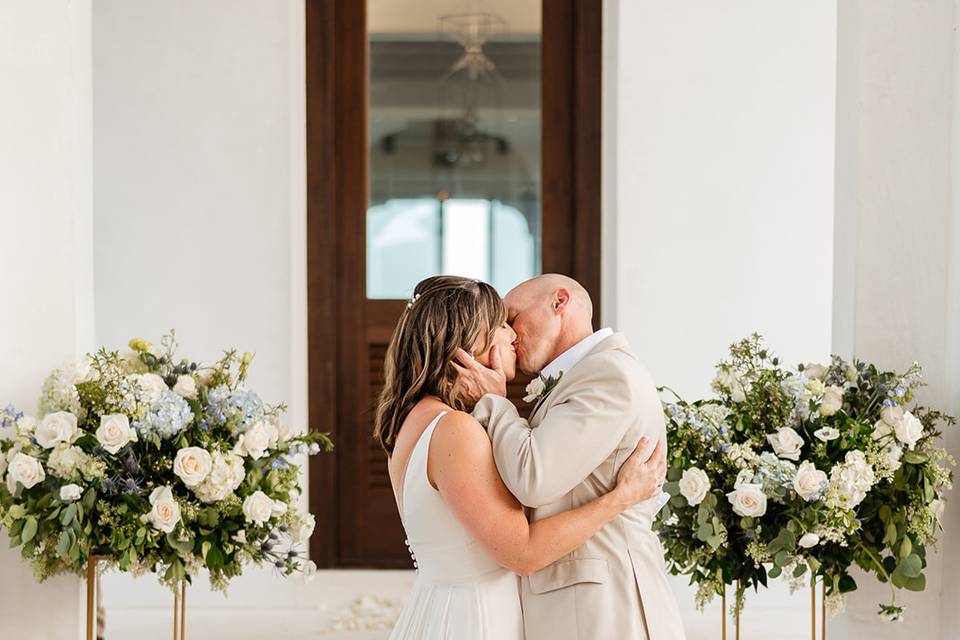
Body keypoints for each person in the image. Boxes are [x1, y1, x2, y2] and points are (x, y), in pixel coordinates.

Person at [374, 275, 667, 640]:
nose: (511, 335)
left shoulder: (416, 420)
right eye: (502, 323)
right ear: (467, 340)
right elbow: (523, 550)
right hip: (476, 619)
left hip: (457, 609)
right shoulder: (455, 429)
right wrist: (621, 498)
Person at [454, 274, 686, 639]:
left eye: (513, 318)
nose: (511, 334)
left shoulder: (609, 374)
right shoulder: (586, 375)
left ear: (559, 302)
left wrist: (495, 402)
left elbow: (535, 479)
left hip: (605, 608)